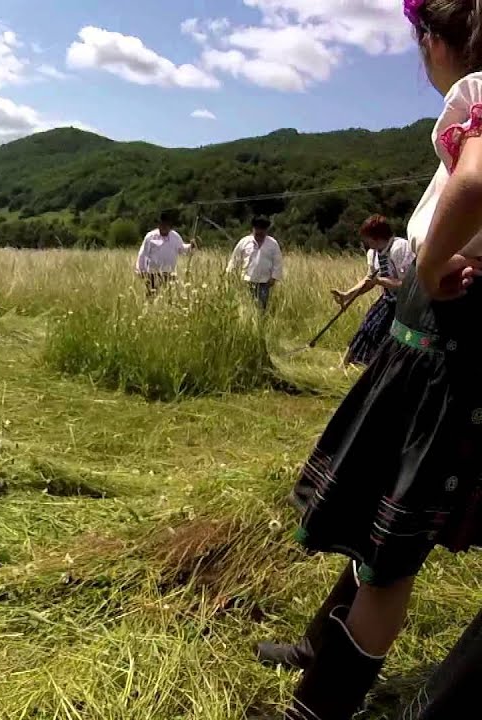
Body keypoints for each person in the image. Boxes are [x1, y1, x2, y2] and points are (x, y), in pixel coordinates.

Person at [254, 2, 482, 717]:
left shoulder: (478, 94)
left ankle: (317, 709)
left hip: (445, 360)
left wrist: (435, 260)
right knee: (380, 530)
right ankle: (320, 650)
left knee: (388, 558)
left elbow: (477, 183)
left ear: (435, 42)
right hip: (434, 349)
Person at [331, 215, 413, 367]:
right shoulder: (373, 253)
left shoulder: (400, 248)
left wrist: (380, 281)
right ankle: (343, 365)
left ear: (376, 237)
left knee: (393, 339)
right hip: (388, 299)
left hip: (406, 303)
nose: (365, 241)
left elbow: (407, 284)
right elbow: (369, 280)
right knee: (367, 327)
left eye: (367, 237)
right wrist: (348, 295)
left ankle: (379, 368)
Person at [225, 217, 283, 310]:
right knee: (246, 306)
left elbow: (277, 262)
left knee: (261, 308)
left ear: (266, 230)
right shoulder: (244, 242)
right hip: (246, 281)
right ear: (253, 228)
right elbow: (235, 259)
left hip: (264, 283)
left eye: (262, 229)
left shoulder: (273, 244)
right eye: (257, 229)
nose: (259, 232)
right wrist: (230, 273)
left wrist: (274, 278)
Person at [135, 212, 194, 296]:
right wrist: (141, 270)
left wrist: (191, 246)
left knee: (169, 298)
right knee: (152, 297)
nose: (164, 227)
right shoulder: (150, 236)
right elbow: (143, 254)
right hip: (152, 274)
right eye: (162, 224)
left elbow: (182, 249)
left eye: (166, 225)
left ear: (170, 226)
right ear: (158, 225)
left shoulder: (175, 237)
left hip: (169, 274)